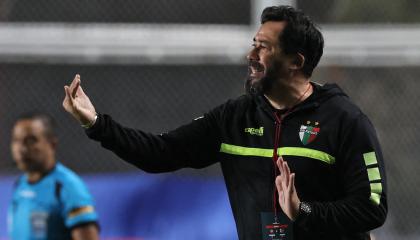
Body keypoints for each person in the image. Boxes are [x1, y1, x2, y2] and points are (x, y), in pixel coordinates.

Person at [62, 5, 387, 240]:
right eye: (253, 44)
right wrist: (95, 124)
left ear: (295, 62)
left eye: (264, 47)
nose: (251, 55)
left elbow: (372, 207)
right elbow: (159, 152)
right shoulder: (233, 118)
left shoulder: (345, 120)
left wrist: (304, 211)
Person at [8, 112, 99, 240]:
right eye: (16, 140)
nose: (22, 148)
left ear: (52, 144)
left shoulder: (68, 187)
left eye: (31, 140)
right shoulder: (19, 184)